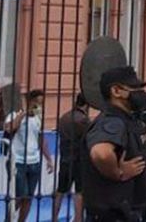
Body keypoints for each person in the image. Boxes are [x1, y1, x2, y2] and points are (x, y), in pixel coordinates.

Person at [82, 66, 146, 221]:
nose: (143, 92)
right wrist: (118, 172)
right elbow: (100, 153)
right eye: (135, 88)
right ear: (116, 91)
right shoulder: (113, 121)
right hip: (113, 214)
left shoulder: (128, 120)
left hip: (126, 211)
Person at [4, 88, 54, 222]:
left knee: (28, 197)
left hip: (34, 162)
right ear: (29, 102)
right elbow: (9, 128)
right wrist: (24, 114)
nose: (39, 106)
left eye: (41, 103)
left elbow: (41, 139)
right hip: (18, 162)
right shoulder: (15, 115)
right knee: (19, 196)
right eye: (36, 103)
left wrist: (49, 159)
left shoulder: (38, 118)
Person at [53, 93, 91, 222]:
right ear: (87, 105)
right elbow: (89, 139)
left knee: (60, 190)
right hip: (79, 159)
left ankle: (54, 217)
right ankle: (78, 219)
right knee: (80, 191)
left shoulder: (64, 117)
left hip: (65, 158)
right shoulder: (83, 119)